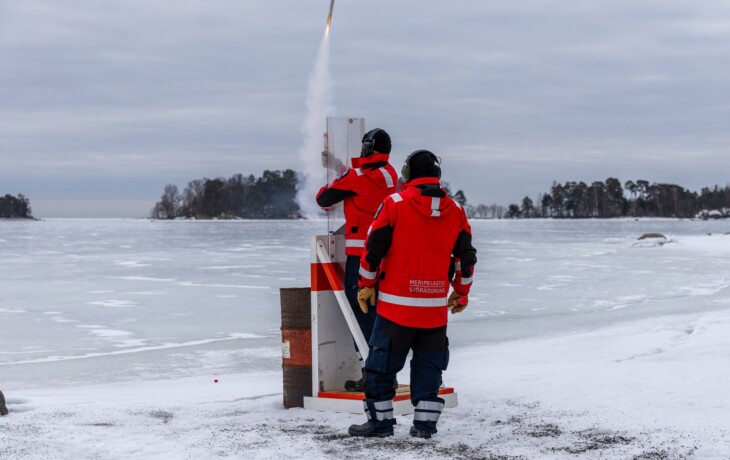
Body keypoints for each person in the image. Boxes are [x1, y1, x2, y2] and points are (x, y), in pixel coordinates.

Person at [348, 149, 477, 438]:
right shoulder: (456, 210)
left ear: (407, 174)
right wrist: (461, 292)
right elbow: (466, 258)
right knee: (429, 369)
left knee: (380, 369)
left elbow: (372, 250)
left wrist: (366, 284)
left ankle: (380, 424)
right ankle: (425, 426)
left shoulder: (393, 203)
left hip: (395, 309)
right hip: (433, 311)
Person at [316, 128, 398, 391]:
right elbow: (361, 180)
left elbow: (324, 198)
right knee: (382, 314)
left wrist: (337, 173)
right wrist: (340, 168)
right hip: (388, 256)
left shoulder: (357, 177)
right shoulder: (391, 175)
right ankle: (387, 372)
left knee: (361, 312)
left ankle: (370, 371)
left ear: (367, 148)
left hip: (360, 256)